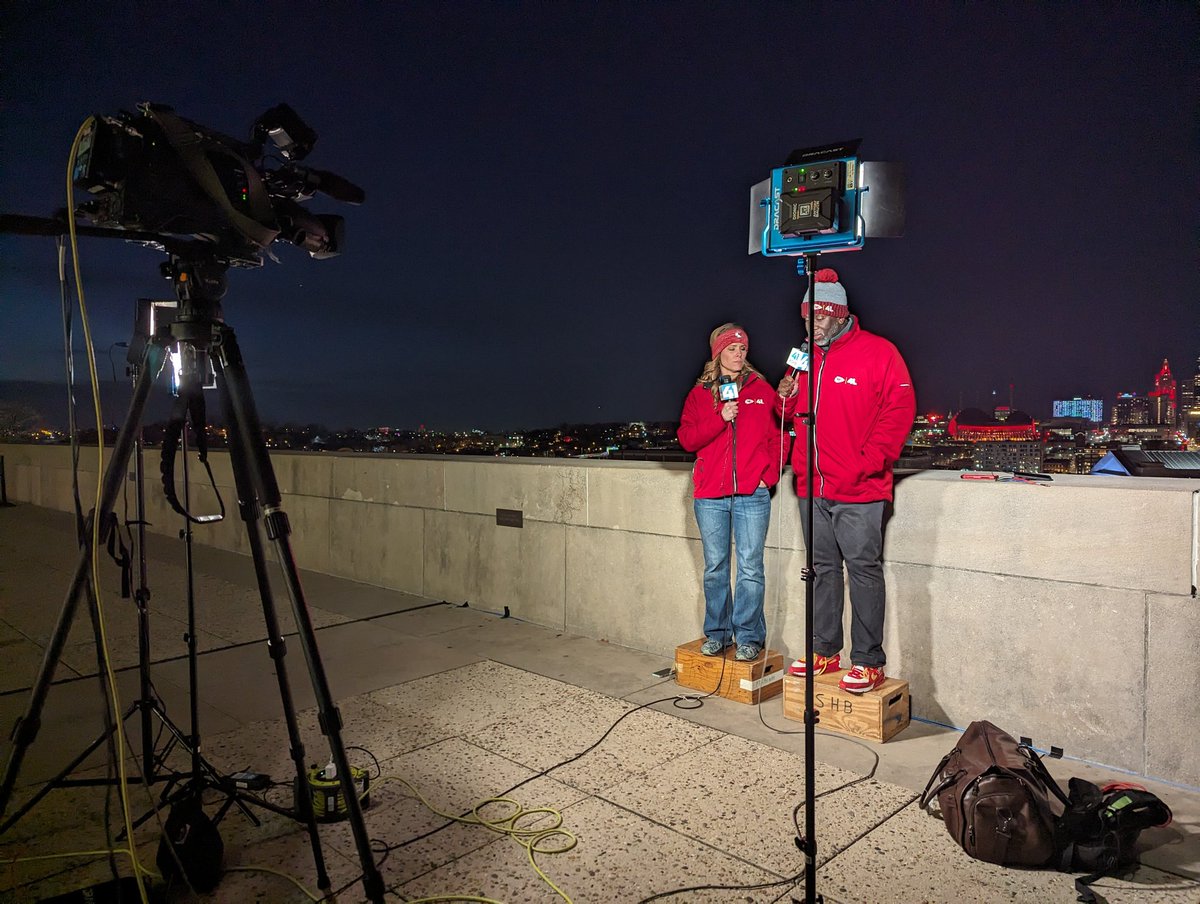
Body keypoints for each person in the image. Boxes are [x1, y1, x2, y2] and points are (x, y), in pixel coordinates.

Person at [776, 269, 915, 694]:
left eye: (820, 316)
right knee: (820, 571)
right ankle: (823, 650)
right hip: (811, 488)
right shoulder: (805, 358)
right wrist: (785, 395)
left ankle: (869, 661)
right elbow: (791, 418)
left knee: (863, 571)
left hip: (858, 489)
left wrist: (868, 461)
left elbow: (900, 409)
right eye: (807, 316)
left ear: (840, 314)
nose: (812, 323)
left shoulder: (879, 352)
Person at [678, 323, 787, 662]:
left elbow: (780, 436)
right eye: (732, 349)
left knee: (751, 568)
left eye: (742, 349)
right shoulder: (699, 395)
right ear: (718, 354)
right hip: (711, 495)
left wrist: (766, 477)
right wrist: (719, 416)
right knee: (715, 568)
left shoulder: (761, 389)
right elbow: (687, 439)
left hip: (751, 494)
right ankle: (718, 634)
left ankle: (749, 638)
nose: (739, 354)